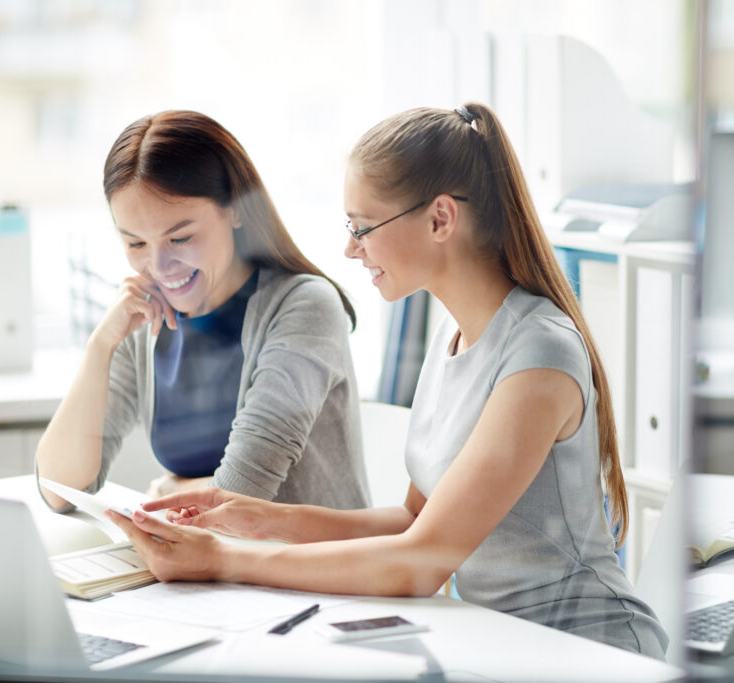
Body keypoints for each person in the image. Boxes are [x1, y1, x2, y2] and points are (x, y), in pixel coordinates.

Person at [106, 102, 667, 658]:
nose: (351, 248)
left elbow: (422, 561)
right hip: (500, 645)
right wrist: (266, 519)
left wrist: (222, 558)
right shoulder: (453, 336)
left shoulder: (538, 353)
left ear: (440, 218)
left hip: (587, 651)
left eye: (363, 227)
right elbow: (414, 521)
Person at [37, 110, 369, 512]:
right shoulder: (145, 318)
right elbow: (60, 489)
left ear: (236, 208)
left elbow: (240, 498)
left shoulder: (304, 306)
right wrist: (100, 345)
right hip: (205, 569)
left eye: (180, 237)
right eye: (136, 244)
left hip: (306, 570)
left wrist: (168, 491)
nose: (159, 267)